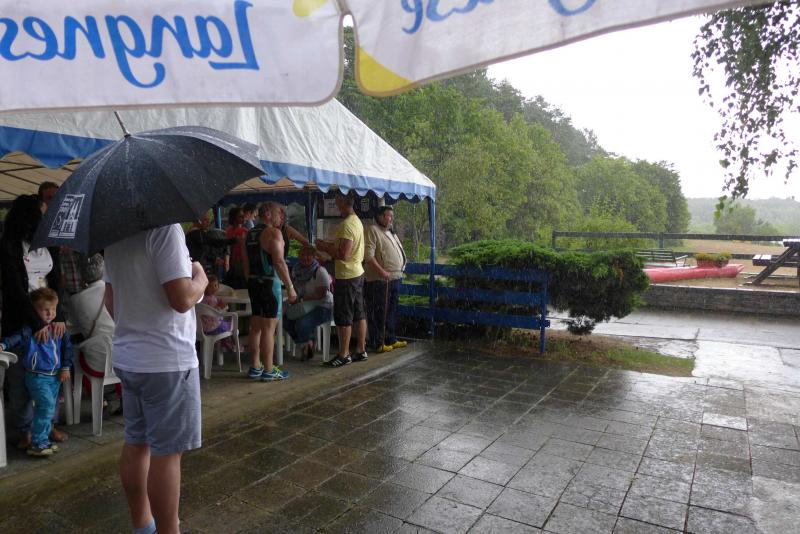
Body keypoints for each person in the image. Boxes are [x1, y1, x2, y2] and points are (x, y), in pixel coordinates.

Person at [103, 223, 207, 534]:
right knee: (167, 453)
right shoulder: (165, 229)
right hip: (167, 360)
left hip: (130, 358)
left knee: (137, 442)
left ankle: (143, 524)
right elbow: (182, 299)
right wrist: (200, 277)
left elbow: (110, 302)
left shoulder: (115, 235)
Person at [0, 194, 68, 449]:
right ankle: (24, 429)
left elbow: (57, 281)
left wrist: (58, 316)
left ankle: (48, 425)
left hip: (48, 319)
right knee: (20, 380)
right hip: (21, 322)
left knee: (49, 377)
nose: (45, 217)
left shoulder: (48, 244)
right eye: (42, 212)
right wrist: (36, 323)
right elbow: (15, 291)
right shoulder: (9, 246)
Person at [0, 288, 73, 456]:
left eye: (53, 309)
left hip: (55, 377)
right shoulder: (29, 330)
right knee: (45, 406)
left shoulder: (59, 329)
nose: (50, 313)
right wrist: (3, 345)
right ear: (33, 310)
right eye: (45, 309)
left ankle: (43, 439)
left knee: (48, 408)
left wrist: (65, 367)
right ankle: (37, 443)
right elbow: (16, 338)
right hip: (37, 376)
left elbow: (67, 349)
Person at [242, 202, 297, 381]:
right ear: (267, 214)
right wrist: (290, 287)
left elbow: (245, 263)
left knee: (256, 326)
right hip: (269, 284)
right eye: (278, 212)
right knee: (268, 329)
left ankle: (255, 366)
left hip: (253, 283)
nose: (281, 216)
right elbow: (279, 262)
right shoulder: (273, 233)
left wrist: (252, 281)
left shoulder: (249, 234)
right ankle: (269, 369)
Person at [316, 192, 368, 367]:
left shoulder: (347, 225)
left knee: (344, 315)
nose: (337, 206)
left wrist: (324, 246)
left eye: (338, 203)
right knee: (359, 312)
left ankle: (344, 354)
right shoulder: (357, 221)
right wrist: (330, 251)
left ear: (344, 203)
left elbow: (343, 254)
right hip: (357, 272)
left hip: (347, 275)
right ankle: (360, 349)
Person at [364, 206, 408, 353]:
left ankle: (390, 338)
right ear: (380, 216)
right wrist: (381, 271)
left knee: (391, 311)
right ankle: (378, 342)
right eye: (389, 216)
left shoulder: (390, 232)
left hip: (395, 278)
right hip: (379, 280)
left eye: (392, 216)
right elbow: (368, 256)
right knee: (379, 312)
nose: (391, 219)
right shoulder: (373, 230)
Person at [283, 245, 333, 360]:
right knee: (285, 320)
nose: (304, 257)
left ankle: (305, 346)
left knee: (302, 323)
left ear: (314, 256)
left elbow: (321, 294)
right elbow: (293, 289)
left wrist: (301, 299)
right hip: (305, 305)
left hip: (323, 306)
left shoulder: (320, 271)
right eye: (302, 255)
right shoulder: (296, 270)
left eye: (308, 255)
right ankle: (307, 342)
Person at [198, 275, 238, 353]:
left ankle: (224, 344)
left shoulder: (202, 298)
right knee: (232, 324)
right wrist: (221, 306)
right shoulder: (211, 299)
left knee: (225, 322)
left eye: (216, 285)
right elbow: (214, 313)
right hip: (213, 327)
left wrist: (219, 305)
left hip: (203, 328)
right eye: (210, 286)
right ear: (205, 287)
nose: (214, 288)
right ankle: (231, 345)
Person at [224, 207, 248, 288]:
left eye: (243, 216)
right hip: (235, 263)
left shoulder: (244, 231)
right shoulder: (229, 231)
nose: (243, 218)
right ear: (234, 218)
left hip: (239, 263)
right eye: (240, 216)